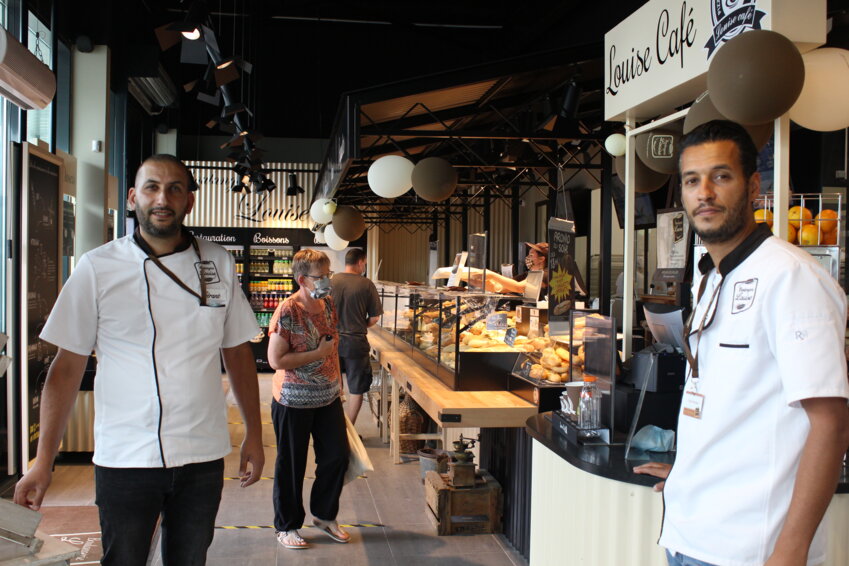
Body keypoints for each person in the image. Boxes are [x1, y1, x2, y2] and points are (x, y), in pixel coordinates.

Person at [13, 154, 265, 565]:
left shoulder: (218, 262)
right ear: (133, 197)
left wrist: (253, 434)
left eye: (174, 188)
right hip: (125, 455)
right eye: (152, 187)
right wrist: (43, 463)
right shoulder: (98, 267)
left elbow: (236, 351)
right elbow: (66, 367)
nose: (162, 198)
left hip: (201, 454)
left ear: (189, 202)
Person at [633, 120, 849, 566]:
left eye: (721, 176)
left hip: (754, 548)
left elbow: (831, 423)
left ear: (753, 186)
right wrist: (693, 474)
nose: (704, 192)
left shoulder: (792, 279)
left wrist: (791, 551)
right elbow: (732, 403)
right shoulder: (713, 277)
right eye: (692, 180)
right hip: (694, 533)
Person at [267, 248, 350, 550]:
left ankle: (325, 516)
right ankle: (287, 525)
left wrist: (338, 381)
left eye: (329, 274)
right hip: (292, 400)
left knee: (336, 456)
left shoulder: (327, 303)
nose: (327, 280)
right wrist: (317, 355)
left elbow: (334, 343)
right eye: (322, 276)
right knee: (291, 464)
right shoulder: (288, 311)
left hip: (327, 397)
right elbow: (276, 360)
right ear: (302, 279)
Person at [331, 248, 382, 425]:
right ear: (360, 262)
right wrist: (361, 324)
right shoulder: (366, 284)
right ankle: (349, 430)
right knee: (356, 388)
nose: (364, 267)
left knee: (334, 386)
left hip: (330, 342)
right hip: (356, 341)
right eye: (364, 264)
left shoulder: (330, 281)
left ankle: (335, 430)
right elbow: (375, 317)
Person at [470, 242, 549, 295]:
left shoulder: (545, 274)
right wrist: (470, 279)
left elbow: (519, 287)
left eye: (531, 255)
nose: (527, 258)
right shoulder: (527, 274)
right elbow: (499, 287)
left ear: (541, 259)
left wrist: (492, 275)